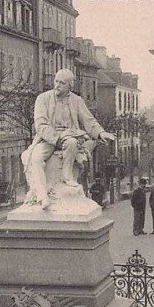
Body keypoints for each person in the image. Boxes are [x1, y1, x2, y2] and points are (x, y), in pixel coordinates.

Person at [21, 69, 117, 209]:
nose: (57, 85)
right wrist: (57, 138)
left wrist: (101, 133)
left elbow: (89, 120)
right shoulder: (42, 98)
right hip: (48, 138)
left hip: (70, 136)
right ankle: (42, 196)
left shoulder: (76, 100)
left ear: (70, 86)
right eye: (56, 81)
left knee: (72, 143)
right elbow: (40, 125)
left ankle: (67, 176)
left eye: (62, 83)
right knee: (35, 158)